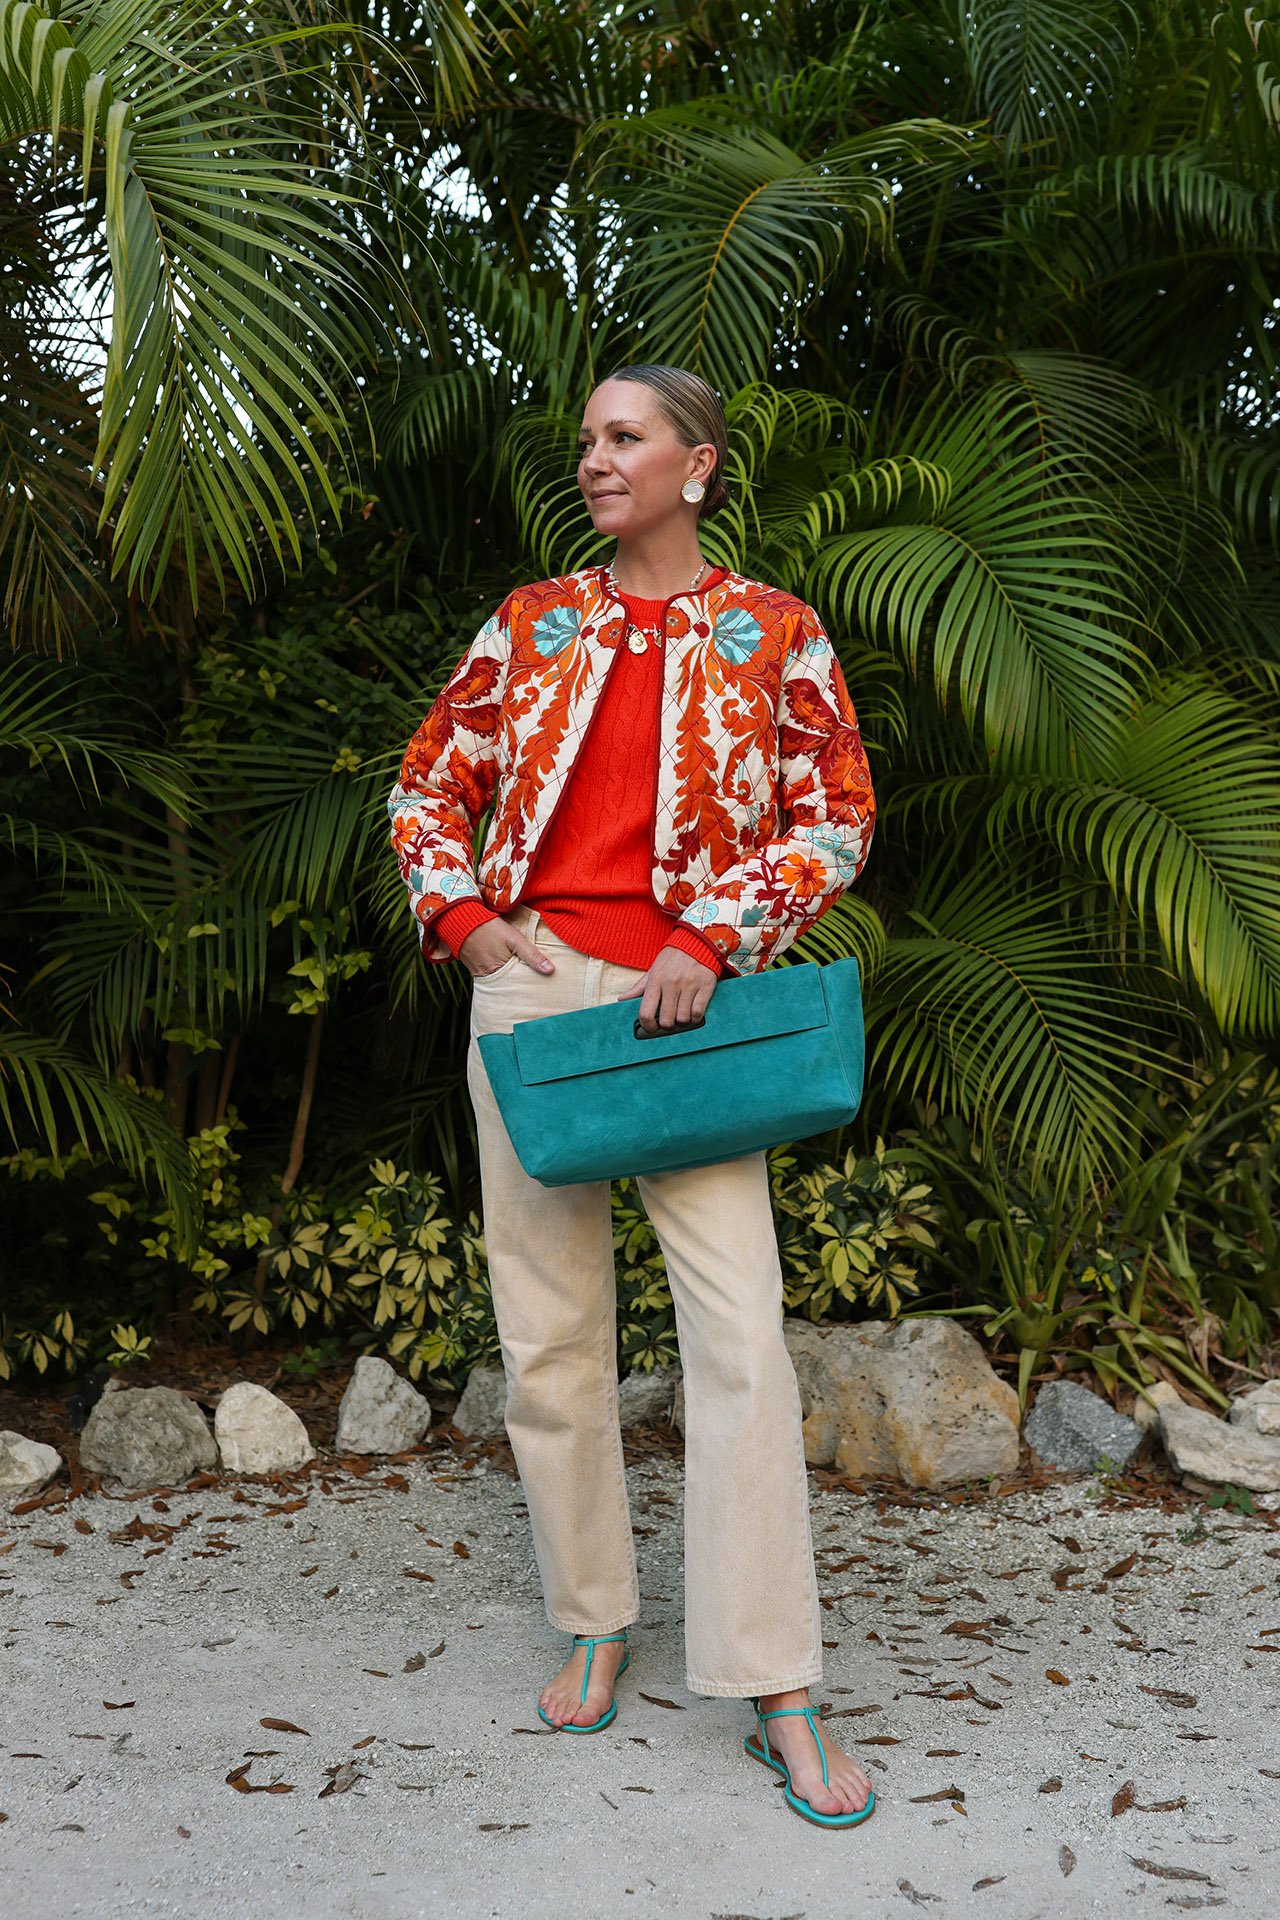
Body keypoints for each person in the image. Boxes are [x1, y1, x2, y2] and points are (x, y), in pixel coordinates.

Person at [387, 363, 877, 1828]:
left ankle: (776, 1681)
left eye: (627, 437)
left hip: (693, 1012)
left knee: (742, 1339)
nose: (597, 460)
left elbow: (836, 814)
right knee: (548, 1337)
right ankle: (595, 1617)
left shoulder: (775, 629)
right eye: (589, 441)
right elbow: (428, 783)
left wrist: (713, 939)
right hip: (536, 998)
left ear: (697, 464)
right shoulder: (532, 621)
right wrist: (468, 924)